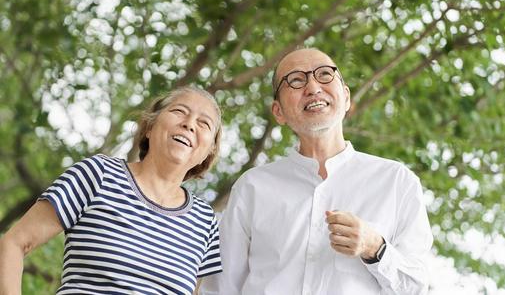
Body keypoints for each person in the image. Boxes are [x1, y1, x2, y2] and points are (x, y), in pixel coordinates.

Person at [200, 48, 433, 295]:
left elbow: (416, 287)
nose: (312, 87)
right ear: (278, 112)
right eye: (296, 80)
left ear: (346, 97)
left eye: (324, 74)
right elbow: (221, 289)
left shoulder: (397, 182)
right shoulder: (252, 187)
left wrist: (375, 248)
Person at [0, 86, 223, 295]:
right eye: (179, 111)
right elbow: (13, 244)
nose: (190, 124)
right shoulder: (99, 174)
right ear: (149, 127)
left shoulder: (205, 221)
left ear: (209, 151)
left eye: (204, 124)